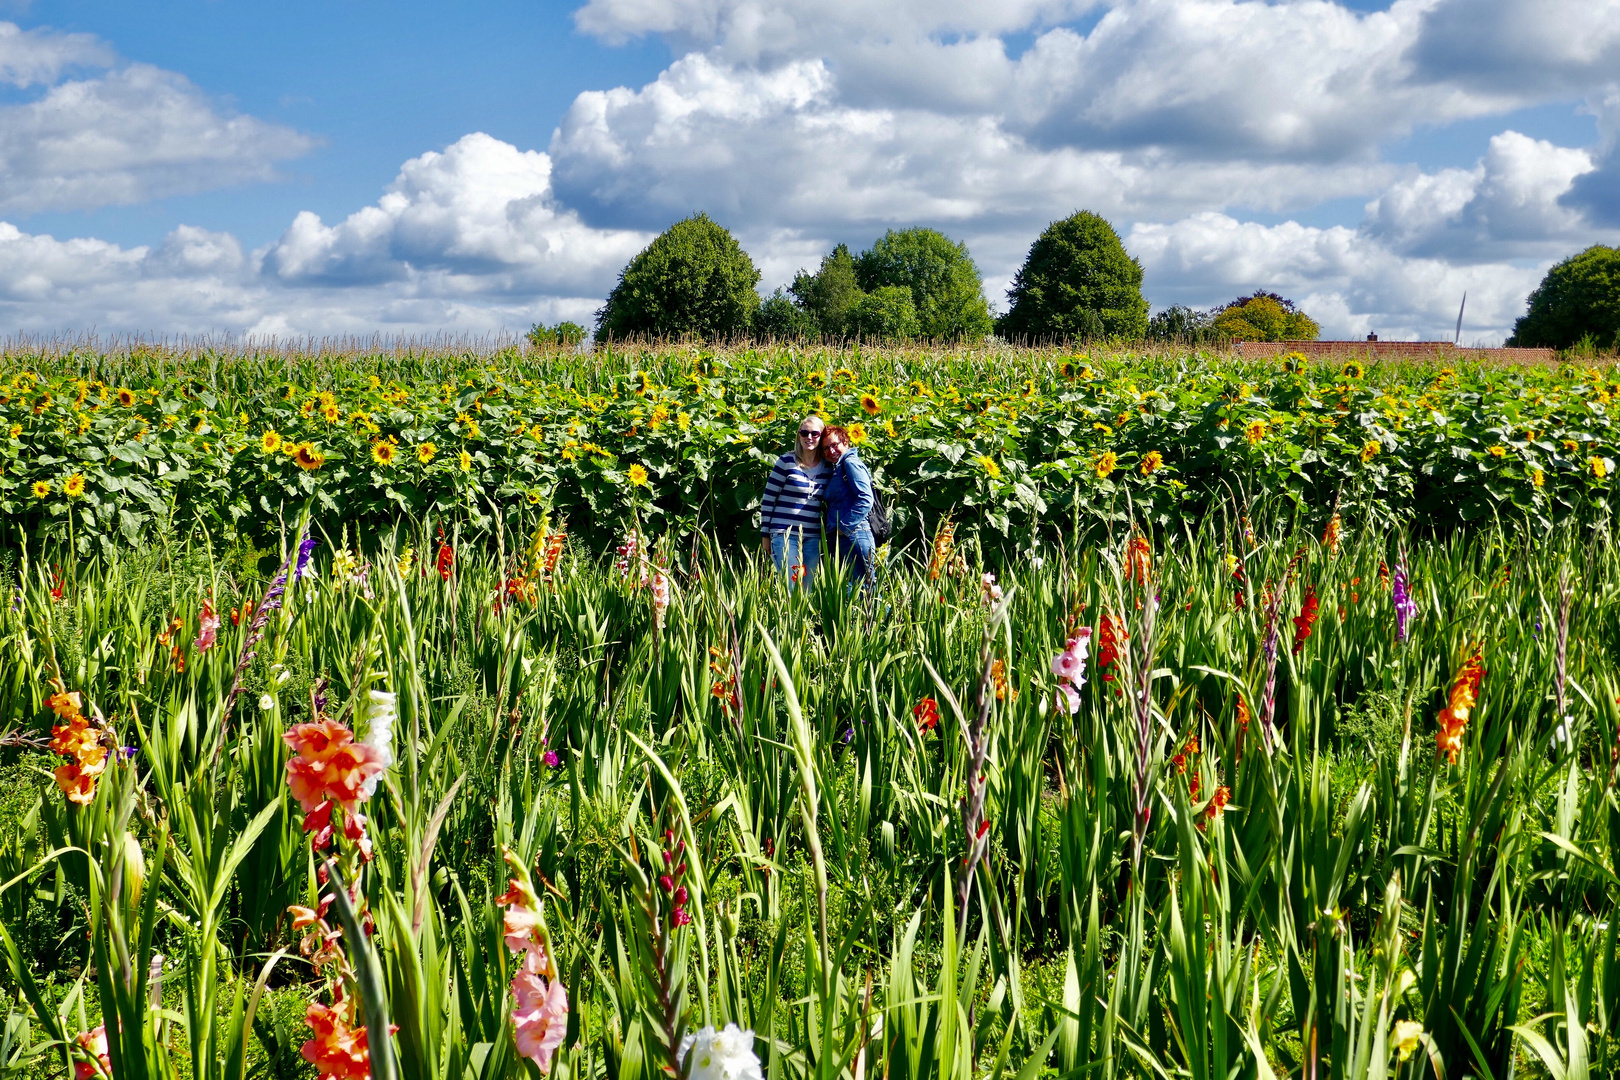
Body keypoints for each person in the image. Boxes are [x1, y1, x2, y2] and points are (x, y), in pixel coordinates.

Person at [758, 415, 831, 587]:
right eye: (804, 433)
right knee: (791, 586)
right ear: (798, 435)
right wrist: (765, 535)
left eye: (815, 433)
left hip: (812, 536)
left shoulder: (828, 467)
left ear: (822, 436)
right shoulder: (786, 462)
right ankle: (788, 615)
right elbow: (768, 499)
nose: (809, 438)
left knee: (807, 588)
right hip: (784, 534)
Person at [820, 426, 876, 593]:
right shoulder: (839, 467)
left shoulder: (850, 463)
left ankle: (884, 619)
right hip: (844, 537)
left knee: (864, 592)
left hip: (854, 535)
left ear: (846, 441)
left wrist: (844, 527)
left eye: (835, 444)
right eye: (825, 448)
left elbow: (866, 499)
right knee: (851, 591)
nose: (831, 451)